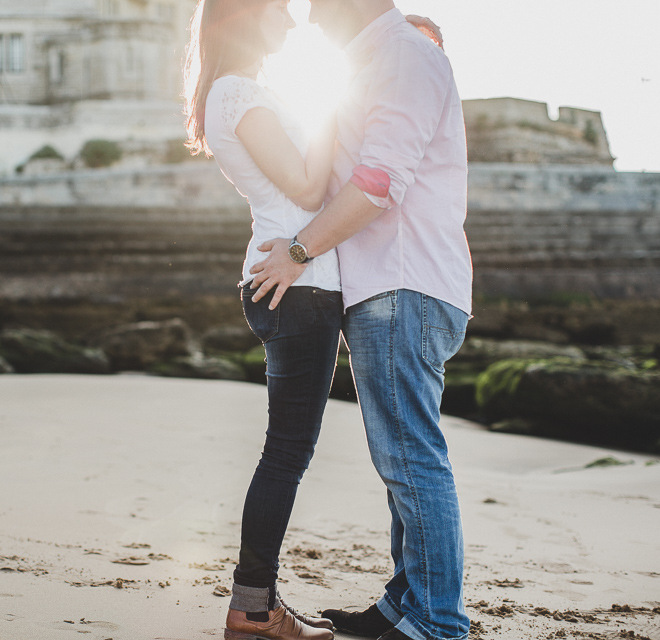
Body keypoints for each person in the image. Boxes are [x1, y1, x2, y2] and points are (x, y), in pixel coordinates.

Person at [182, 1, 444, 639]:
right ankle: (251, 606)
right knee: (286, 453)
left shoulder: (239, 92)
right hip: (295, 284)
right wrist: (330, 100)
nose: (292, 20)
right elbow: (304, 187)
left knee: (287, 451)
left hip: (293, 281)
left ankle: (256, 600)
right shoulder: (238, 93)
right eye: (276, 8)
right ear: (243, 17)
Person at [246, 0, 473, 639]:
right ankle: (405, 603)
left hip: (405, 285)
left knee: (409, 455)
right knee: (400, 454)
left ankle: (437, 622)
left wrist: (298, 251)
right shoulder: (382, 56)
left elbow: (378, 182)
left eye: (318, 4)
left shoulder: (403, 55)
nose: (310, 18)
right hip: (393, 286)